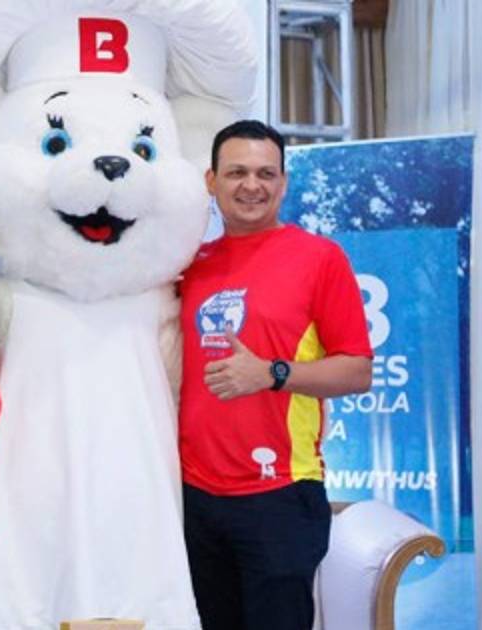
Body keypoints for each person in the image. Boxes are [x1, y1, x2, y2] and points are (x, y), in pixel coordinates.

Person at [177, 119, 374, 630]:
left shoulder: (319, 259)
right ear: (211, 181)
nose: (252, 185)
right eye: (236, 172)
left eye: (266, 173)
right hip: (193, 495)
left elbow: (357, 371)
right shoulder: (187, 265)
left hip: (279, 495)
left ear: (284, 182)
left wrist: (272, 373)